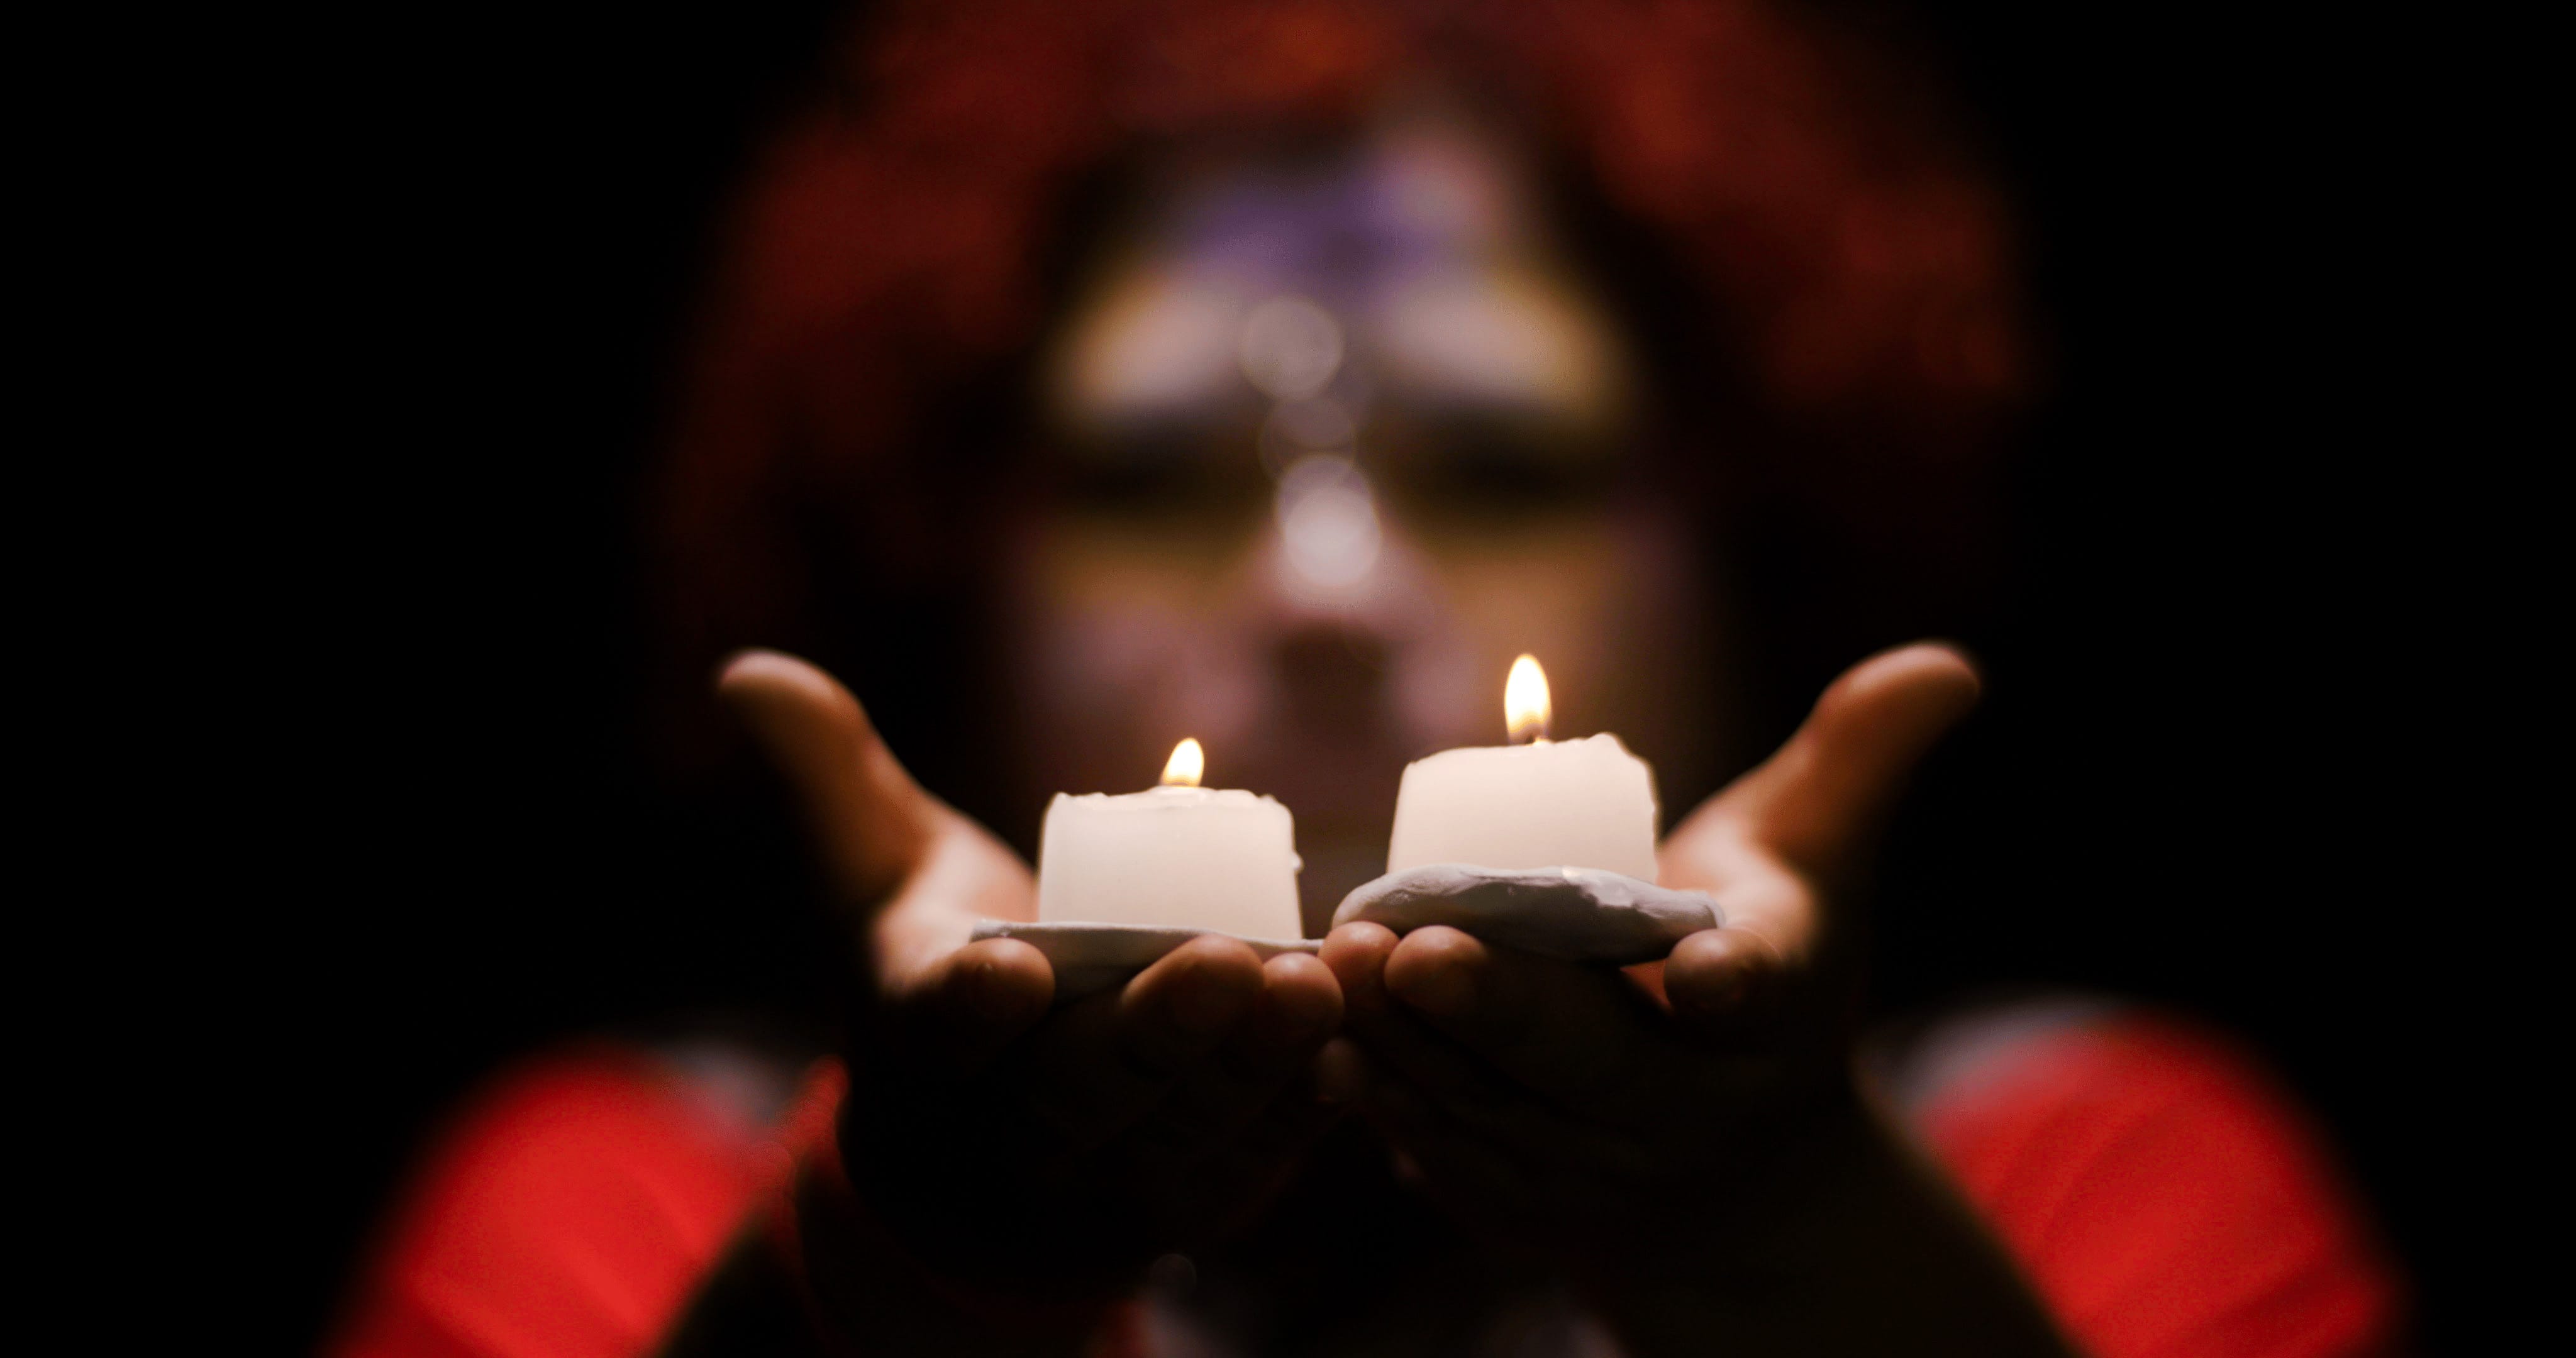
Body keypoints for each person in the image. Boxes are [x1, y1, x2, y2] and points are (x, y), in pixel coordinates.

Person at [332, 2, 2403, 1355]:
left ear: (1752, 541)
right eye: (1148, 475)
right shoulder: (620, 1206)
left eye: (1503, 465)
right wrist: (915, 1268)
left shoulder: (2093, 1181)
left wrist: (1769, 1240)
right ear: (943, 554)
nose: (1327, 582)